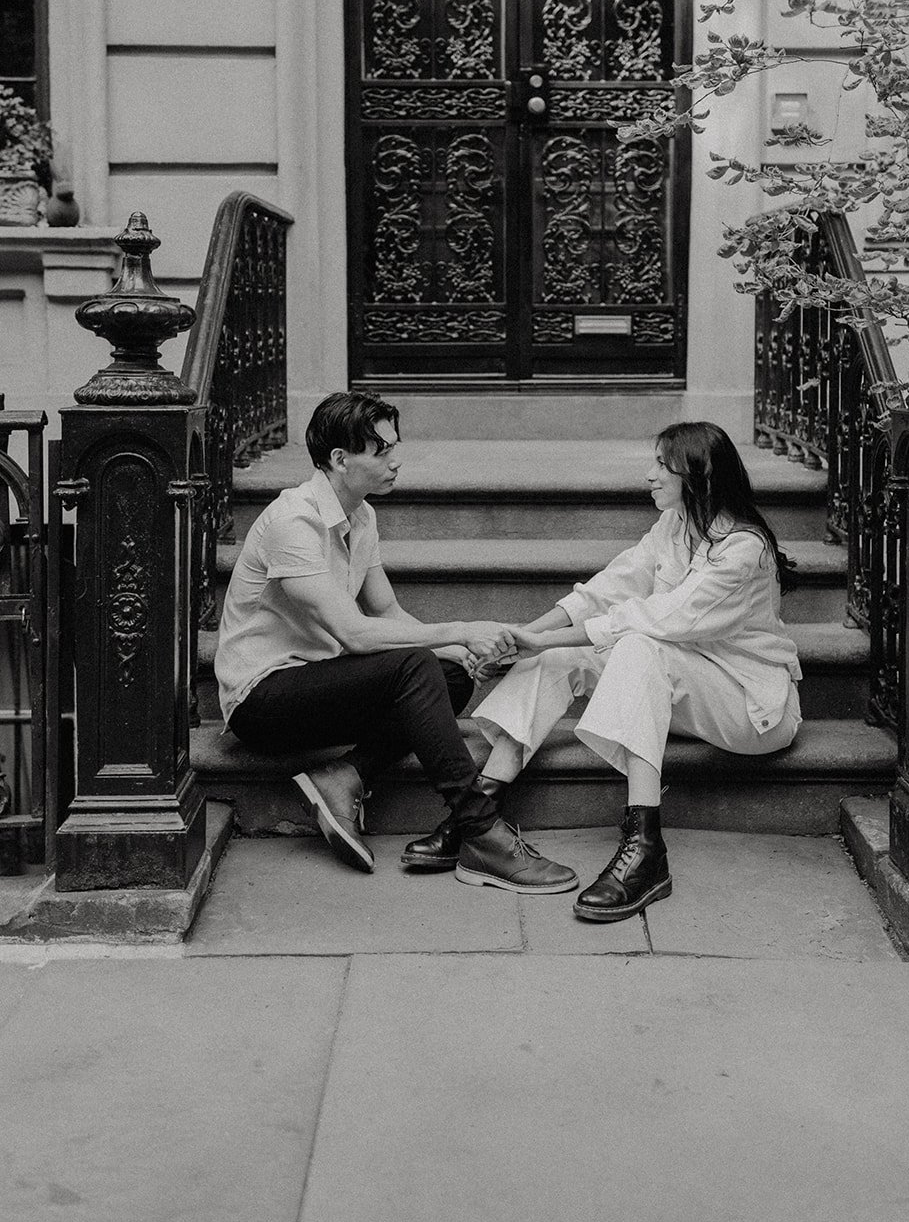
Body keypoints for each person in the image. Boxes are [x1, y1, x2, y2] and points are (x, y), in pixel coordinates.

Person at [214, 390, 578, 895]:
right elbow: (355, 631)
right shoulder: (292, 522)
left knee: (447, 677)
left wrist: (463, 653)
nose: (395, 461)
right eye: (381, 450)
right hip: (262, 699)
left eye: (393, 447)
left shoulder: (360, 515)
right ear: (340, 460)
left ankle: (344, 776)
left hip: (320, 682)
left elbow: (386, 611)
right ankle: (479, 830)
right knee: (415, 668)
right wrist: (460, 630)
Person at [462, 422, 803, 922]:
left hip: (751, 709)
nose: (649, 475)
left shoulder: (743, 548)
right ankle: (481, 815)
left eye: (663, 466)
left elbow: (656, 619)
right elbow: (607, 589)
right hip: (687, 687)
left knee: (640, 645)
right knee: (560, 656)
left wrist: (541, 638)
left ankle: (645, 848)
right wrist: (523, 639)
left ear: (699, 474)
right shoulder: (676, 524)